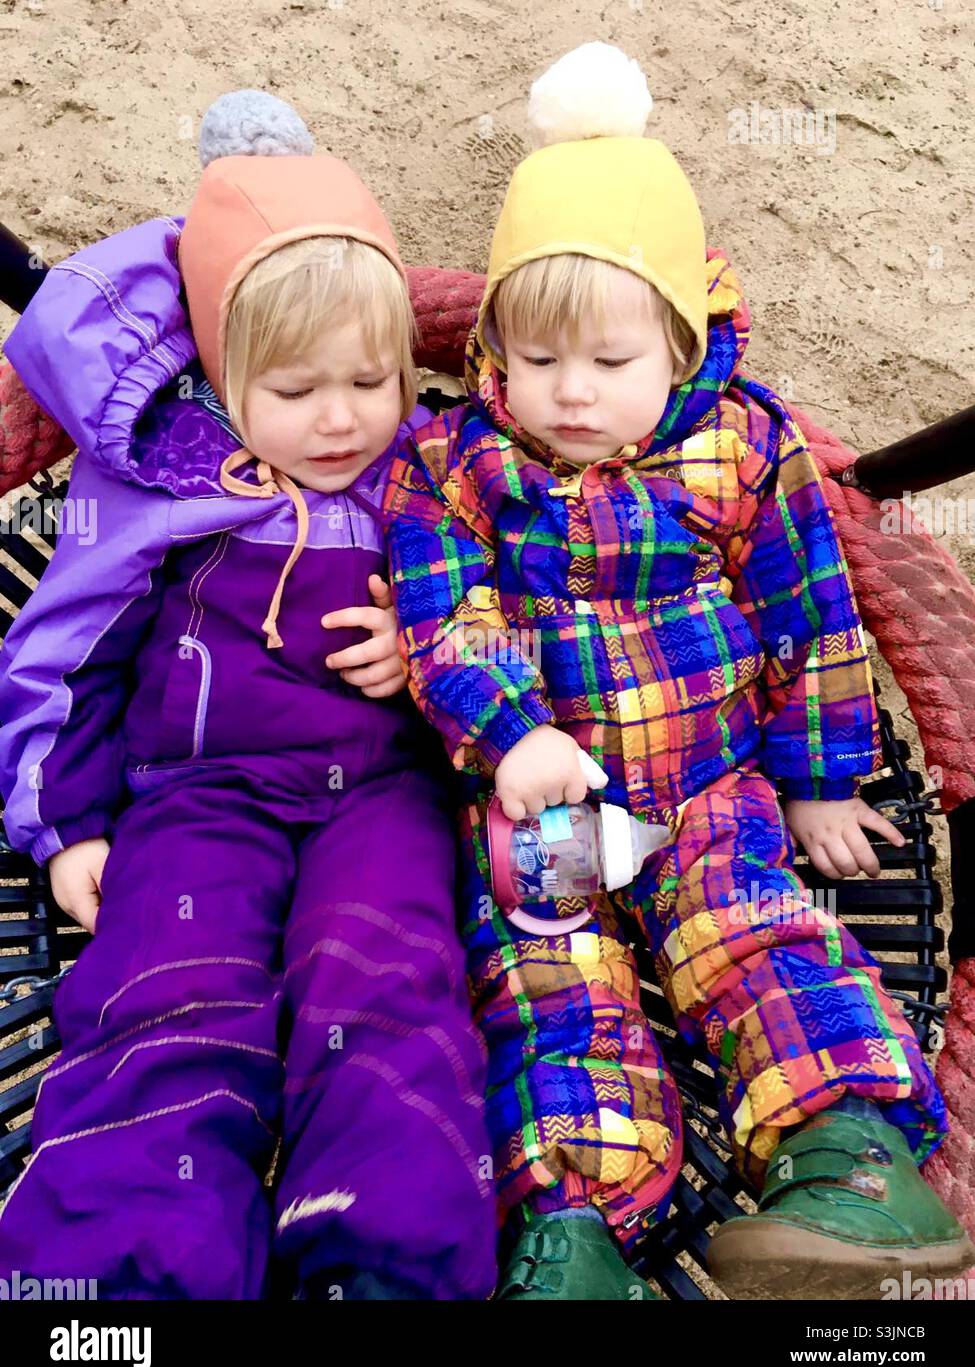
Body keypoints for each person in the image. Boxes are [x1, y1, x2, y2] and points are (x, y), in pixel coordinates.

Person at [384, 43, 974, 1299]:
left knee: (753, 936)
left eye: (609, 362)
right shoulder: (461, 463)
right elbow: (446, 616)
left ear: (679, 337)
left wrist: (819, 776)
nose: (572, 395)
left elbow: (810, 614)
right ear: (494, 352)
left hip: (712, 781)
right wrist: (512, 730)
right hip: (550, 800)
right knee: (550, 981)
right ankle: (577, 1231)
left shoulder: (745, 446)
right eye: (539, 364)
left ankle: (852, 1160)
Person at [0, 92, 496, 1301]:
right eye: (294, 387)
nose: (340, 418)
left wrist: (423, 645)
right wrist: (67, 823)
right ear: (222, 379)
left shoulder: (430, 480)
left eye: (370, 380)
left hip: (382, 795)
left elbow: (517, 613)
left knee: (386, 984)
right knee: (169, 996)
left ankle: (383, 1259)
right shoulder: (159, 491)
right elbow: (65, 653)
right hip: (196, 798)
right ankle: (126, 1283)